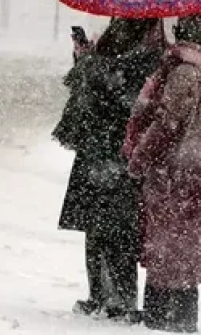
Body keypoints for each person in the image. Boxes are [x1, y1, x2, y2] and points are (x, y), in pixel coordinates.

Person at [122, 9, 201, 333]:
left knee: (168, 258)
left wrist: (139, 158)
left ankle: (163, 322)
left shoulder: (186, 71)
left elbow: (167, 124)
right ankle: (182, 322)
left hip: (178, 177)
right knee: (185, 260)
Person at [53, 18, 166, 321]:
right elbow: (101, 89)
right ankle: (105, 296)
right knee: (104, 226)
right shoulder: (143, 51)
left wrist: (92, 64)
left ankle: (115, 299)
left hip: (112, 150)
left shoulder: (145, 57)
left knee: (112, 228)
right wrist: (86, 57)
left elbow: (123, 98)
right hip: (107, 150)